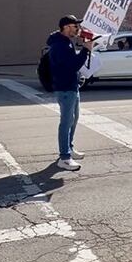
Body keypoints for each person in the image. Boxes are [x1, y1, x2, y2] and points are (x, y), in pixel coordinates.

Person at [47, 15, 94, 171]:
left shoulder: (66, 42)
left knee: (73, 119)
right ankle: (65, 157)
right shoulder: (60, 45)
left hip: (71, 86)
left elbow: (71, 64)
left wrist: (84, 50)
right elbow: (71, 66)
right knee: (66, 122)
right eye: (75, 26)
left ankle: (69, 148)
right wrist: (85, 50)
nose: (78, 29)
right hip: (65, 88)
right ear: (66, 27)